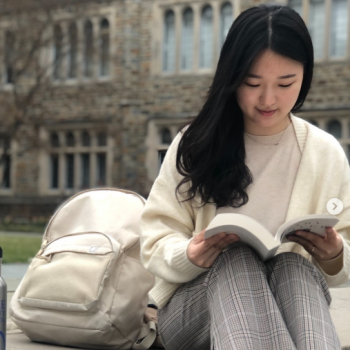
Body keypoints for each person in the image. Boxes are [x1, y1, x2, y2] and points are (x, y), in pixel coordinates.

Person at [140, 4, 350, 350]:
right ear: (232, 78)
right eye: (252, 83)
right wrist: (190, 253)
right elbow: (154, 239)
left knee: (293, 265)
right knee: (236, 259)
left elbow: (342, 259)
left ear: (305, 76)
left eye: (285, 83)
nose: (268, 99)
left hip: (289, 299)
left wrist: (334, 252)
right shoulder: (195, 144)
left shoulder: (324, 153)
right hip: (192, 310)